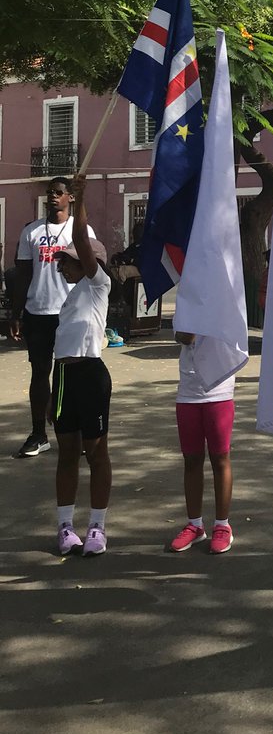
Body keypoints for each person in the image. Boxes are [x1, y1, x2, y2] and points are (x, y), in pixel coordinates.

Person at [10, 176, 96, 458]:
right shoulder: (31, 232)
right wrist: (17, 311)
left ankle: (80, 432)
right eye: (50, 192)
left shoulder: (82, 231)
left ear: (70, 197)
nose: (52, 196)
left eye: (58, 192)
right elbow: (23, 275)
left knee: (75, 374)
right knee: (39, 373)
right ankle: (38, 434)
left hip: (72, 313)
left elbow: (92, 269)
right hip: (39, 313)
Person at [49, 175, 113, 556]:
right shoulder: (73, 298)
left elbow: (85, 249)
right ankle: (64, 526)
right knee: (68, 452)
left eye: (68, 262)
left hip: (91, 375)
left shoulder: (97, 284)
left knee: (97, 452)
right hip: (64, 377)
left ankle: (97, 528)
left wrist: (80, 199)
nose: (63, 267)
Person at [166, 332, 237, 555]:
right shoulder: (185, 300)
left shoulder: (226, 299)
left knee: (220, 458)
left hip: (219, 389)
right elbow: (182, 336)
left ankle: (222, 525)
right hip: (188, 391)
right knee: (192, 459)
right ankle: (195, 525)